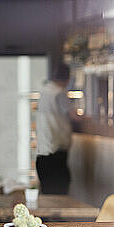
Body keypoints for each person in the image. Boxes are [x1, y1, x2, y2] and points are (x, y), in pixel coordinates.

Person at [35, 63, 74, 195]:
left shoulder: (45, 90)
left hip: (43, 155)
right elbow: (73, 116)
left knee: (48, 196)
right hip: (56, 155)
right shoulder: (59, 93)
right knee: (59, 194)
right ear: (68, 79)